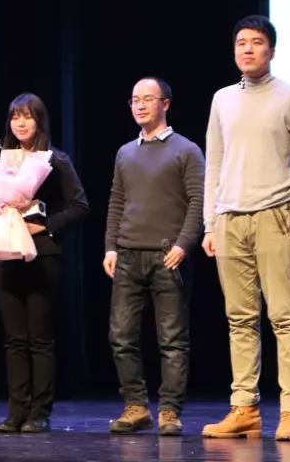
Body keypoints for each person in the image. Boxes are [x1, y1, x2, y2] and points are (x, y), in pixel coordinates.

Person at [201, 15, 290, 442]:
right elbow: (214, 163)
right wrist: (210, 223)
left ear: (271, 50)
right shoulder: (222, 99)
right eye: (241, 43)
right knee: (239, 318)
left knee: (284, 316)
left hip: (276, 215)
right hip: (229, 218)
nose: (247, 49)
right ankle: (244, 408)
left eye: (256, 42)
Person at [103, 77, 204, 435]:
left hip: (167, 256)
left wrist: (183, 244)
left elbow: (198, 201)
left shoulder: (186, 150)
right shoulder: (125, 153)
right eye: (135, 99)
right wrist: (110, 246)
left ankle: (170, 411)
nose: (140, 105)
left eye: (148, 98)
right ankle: (135, 406)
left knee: (172, 340)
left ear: (166, 104)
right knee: (121, 336)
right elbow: (117, 200)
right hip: (128, 254)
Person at [0, 93, 89, 433]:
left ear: (40, 121)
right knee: (14, 338)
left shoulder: (55, 160)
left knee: (40, 338)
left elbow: (80, 206)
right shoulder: (0, 162)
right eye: (15, 116)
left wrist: (46, 226)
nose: (20, 123)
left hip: (42, 254)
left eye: (27, 116)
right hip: (5, 253)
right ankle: (16, 410)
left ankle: (39, 412)